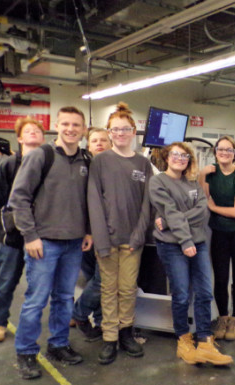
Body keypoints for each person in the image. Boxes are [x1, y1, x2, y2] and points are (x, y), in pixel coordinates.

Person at [8, 106, 92, 380]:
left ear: (83, 129)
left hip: (74, 242)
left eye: (76, 125)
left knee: (65, 298)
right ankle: (26, 351)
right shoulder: (41, 156)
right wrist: (30, 236)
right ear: (57, 125)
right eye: (65, 124)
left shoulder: (86, 160)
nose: (70, 129)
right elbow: (18, 198)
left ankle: (58, 345)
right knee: (36, 300)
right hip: (44, 243)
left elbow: (88, 201)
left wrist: (88, 231)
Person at [149, 142, 233, 366]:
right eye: (176, 154)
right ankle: (183, 340)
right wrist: (183, 236)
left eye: (185, 155)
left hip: (198, 243)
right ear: (167, 157)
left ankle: (205, 340)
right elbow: (169, 210)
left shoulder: (193, 183)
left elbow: (202, 209)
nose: (180, 158)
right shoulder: (158, 182)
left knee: (205, 292)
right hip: (172, 245)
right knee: (182, 295)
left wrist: (169, 220)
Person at [88, 103, 152, 365]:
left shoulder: (143, 164)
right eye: (116, 129)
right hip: (107, 240)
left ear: (133, 131)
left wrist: (137, 237)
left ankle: (126, 333)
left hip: (132, 241)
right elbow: (94, 201)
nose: (121, 133)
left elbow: (147, 205)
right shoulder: (100, 161)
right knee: (108, 289)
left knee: (127, 290)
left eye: (126, 128)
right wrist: (101, 240)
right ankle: (110, 338)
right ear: (110, 132)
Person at [0, 118, 46, 344]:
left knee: (46, 281)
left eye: (37, 130)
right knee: (6, 281)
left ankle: (66, 315)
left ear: (43, 137)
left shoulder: (49, 162)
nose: (33, 133)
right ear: (19, 138)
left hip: (42, 235)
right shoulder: (9, 165)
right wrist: (3, 234)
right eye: (27, 131)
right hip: (13, 237)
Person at [199, 136, 235, 341]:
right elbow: (203, 194)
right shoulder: (211, 173)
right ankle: (223, 318)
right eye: (221, 149)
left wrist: (214, 208)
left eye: (229, 150)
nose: (224, 153)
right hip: (219, 232)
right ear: (215, 152)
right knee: (221, 278)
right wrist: (203, 173)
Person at [71, 127, 112, 342]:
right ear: (88, 145)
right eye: (94, 140)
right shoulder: (83, 168)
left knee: (97, 279)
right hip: (86, 234)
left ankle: (100, 322)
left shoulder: (111, 167)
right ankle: (79, 313)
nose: (99, 144)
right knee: (99, 280)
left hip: (103, 233)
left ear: (110, 143)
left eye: (103, 140)